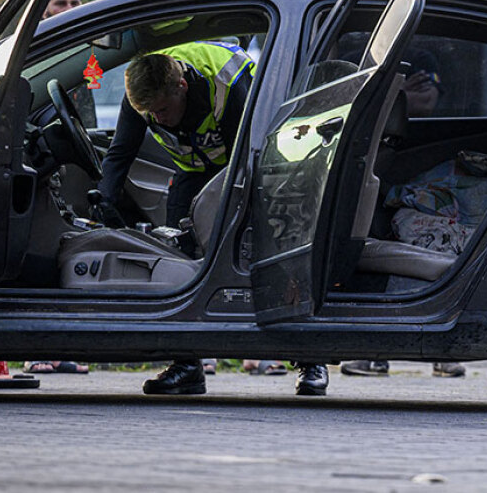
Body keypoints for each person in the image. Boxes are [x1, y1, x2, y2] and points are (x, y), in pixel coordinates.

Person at [97, 41, 328, 396]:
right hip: (193, 171)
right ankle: (187, 364)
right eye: (150, 114)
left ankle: (310, 360)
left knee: (273, 257)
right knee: (180, 260)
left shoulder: (227, 83)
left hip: (252, 166)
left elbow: (256, 145)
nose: (157, 119)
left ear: (182, 87)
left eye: (162, 110)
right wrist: (104, 201)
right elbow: (121, 151)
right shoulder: (143, 95)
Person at [341, 48, 467, 379]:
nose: (423, 84)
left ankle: (430, 347)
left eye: (429, 81)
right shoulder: (368, 129)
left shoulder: (446, 128)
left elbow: (428, 101)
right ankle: (380, 349)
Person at [25, 0, 90, 376]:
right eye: (59, 5)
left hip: (71, 157)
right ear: (44, 10)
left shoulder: (85, 48)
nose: (68, 11)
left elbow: (92, 94)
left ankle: (66, 346)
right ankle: (37, 349)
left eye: (74, 3)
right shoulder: (32, 50)